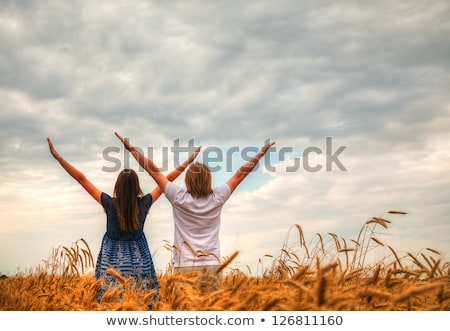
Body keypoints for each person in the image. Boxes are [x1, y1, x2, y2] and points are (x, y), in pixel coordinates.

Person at [47, 137, 200, 308]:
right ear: (137, 187)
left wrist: (58, 157)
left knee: (109, 303)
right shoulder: (144, 203)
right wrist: (188, 161)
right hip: (140, 260)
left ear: (117, 186)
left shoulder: (109, 203)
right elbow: (166, 180)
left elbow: (82, 179)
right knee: (141, 301)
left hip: (111, 261)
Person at [114, 132, 274, 288]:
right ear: (208, 179)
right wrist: (260, 153)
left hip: (184, 265)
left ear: (188, 180)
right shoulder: (218, 197)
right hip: (212, 266)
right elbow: (240, 175)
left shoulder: (178, 197)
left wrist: (131, 149)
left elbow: (153, 171)